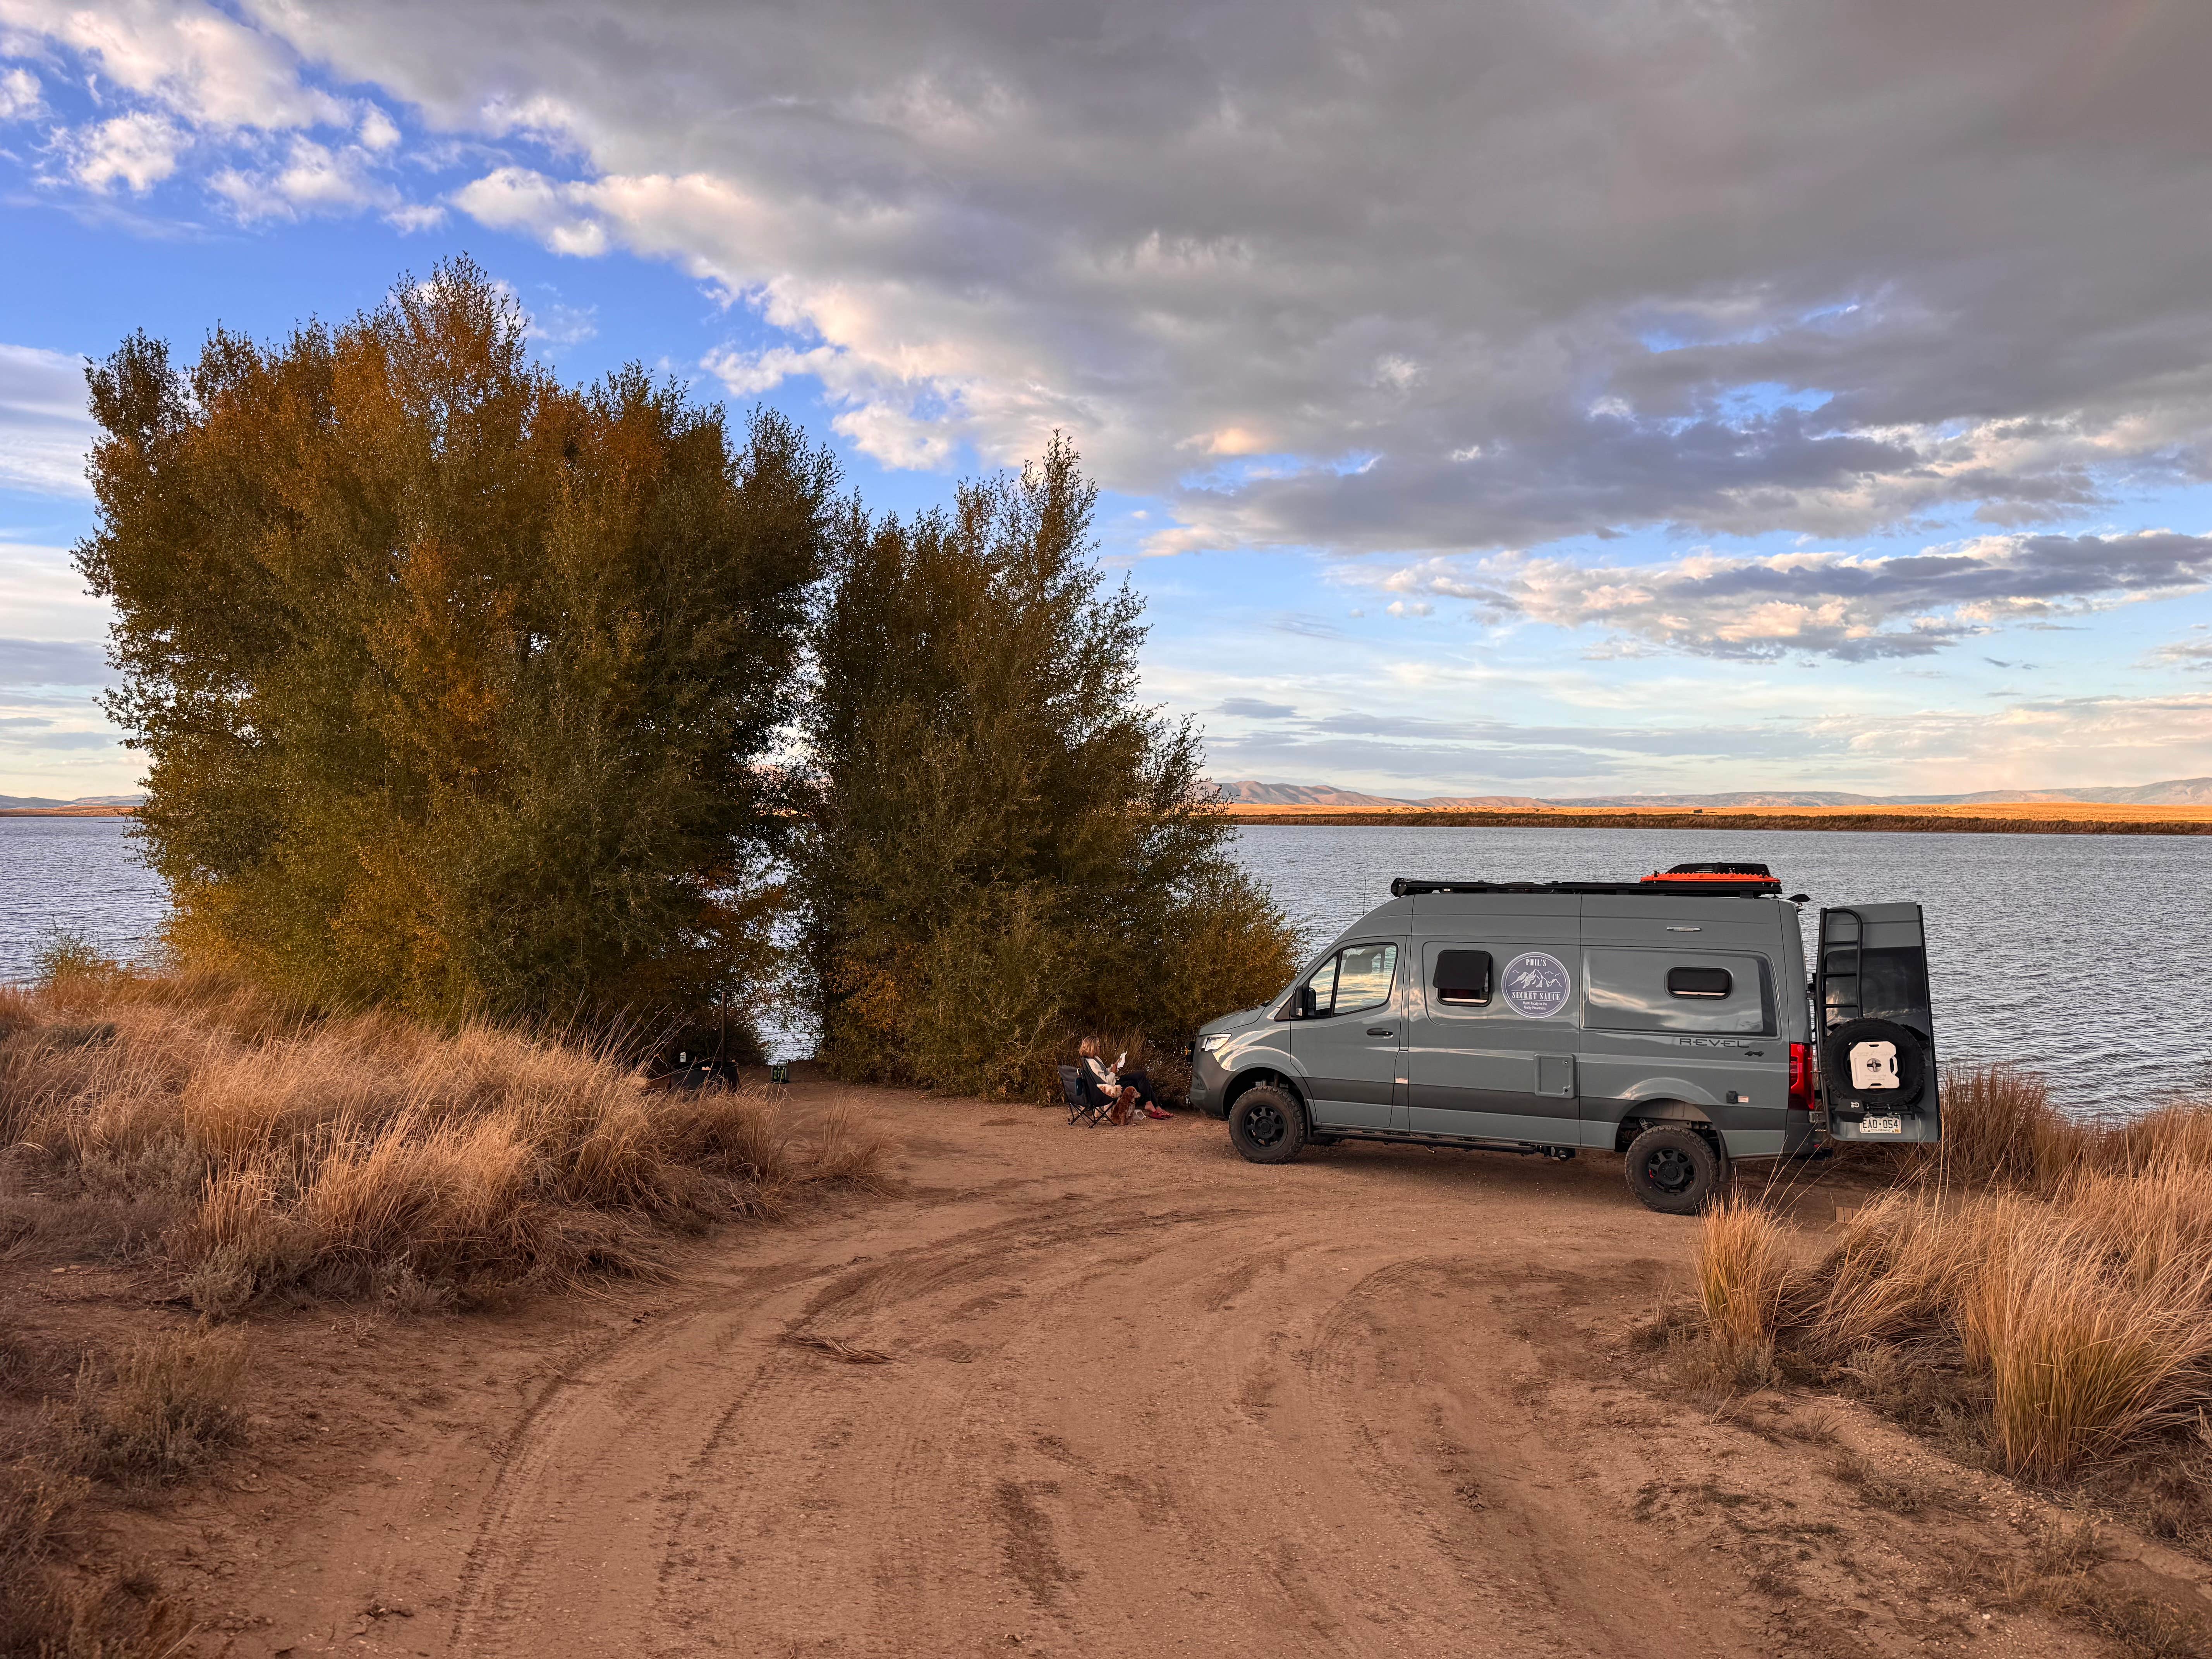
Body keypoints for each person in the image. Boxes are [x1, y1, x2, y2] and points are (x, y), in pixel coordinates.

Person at [1080, 1036, 1170, 1121]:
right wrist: (1113, 1073)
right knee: (1139, 1080)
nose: (1100, 1048)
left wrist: (1113, 1067)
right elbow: (1105, 1082)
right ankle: (1154, 1106)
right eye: (1099, 1046)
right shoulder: (1092, 1063)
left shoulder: (1094, 1059)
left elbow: (1103, 1073)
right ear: (1093, 1047)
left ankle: (1152, 1105)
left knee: (1141, 1076)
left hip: (1113, 1080)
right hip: (1110, 1088)